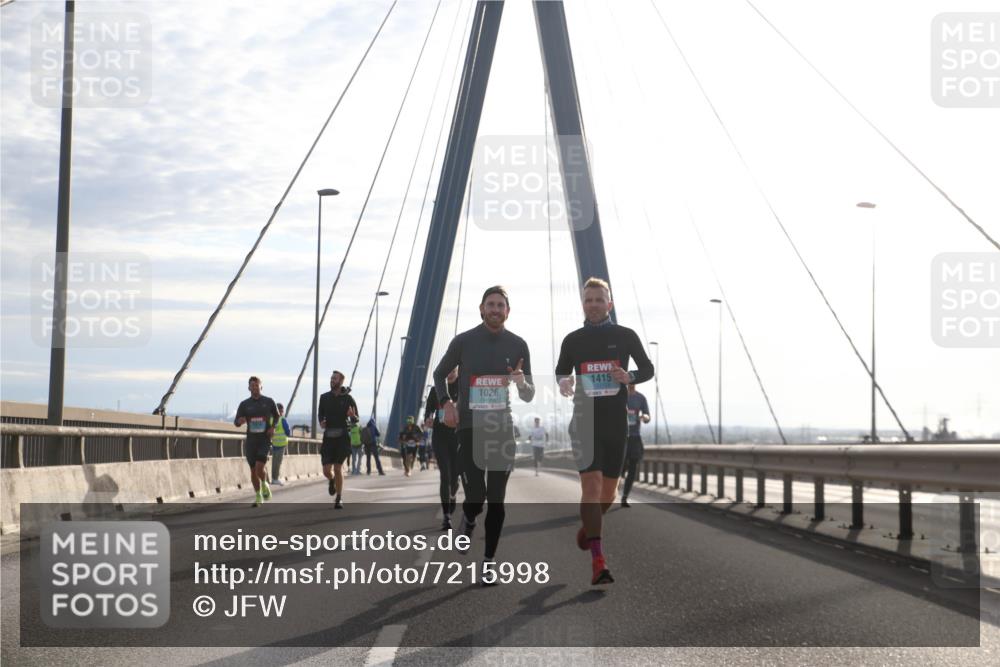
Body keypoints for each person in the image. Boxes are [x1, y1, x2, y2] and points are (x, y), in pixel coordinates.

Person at [556, 277, 654, 585]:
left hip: (616, 425)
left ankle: (589, 530)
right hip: (584, 423)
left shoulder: (625, 336)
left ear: (609, 304)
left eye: (599, 300)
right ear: (583, 304)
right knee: (592, 486)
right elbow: (561, 370)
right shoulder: (572, 340)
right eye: (589, 300)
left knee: (608, 494)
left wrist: (629, 375)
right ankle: (598, 561)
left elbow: (648, 369)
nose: (594, 305)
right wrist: (564, 382)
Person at [434, 285, 534, 584]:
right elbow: (439, 374)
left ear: (507, 311)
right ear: (481, 309)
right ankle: (469, 517)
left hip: (502, 430)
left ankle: (488, 562)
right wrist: (446, 403)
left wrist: (520, 382)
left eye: (500, 305)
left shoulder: (518, 345)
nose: (495, 309)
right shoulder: (464, 341)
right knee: (476, 496)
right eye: (490, 304)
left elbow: (528, 395)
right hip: (470, 429)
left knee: (498, 500)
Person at [234, 376, 279, 507]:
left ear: (261, 386)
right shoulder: (244, 404)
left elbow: (277, 416)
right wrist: (239, 421)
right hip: (251, 441)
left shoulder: (269, 401)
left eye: (257, 385)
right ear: (249, 388)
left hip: (264, 439)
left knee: (260, 467)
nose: (255, 387)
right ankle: (259, 495)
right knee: (253, 470)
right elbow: (236, 422)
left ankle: (264, 483)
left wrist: (272, 427)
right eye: (252, 385)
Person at [425, 367, 460, 529]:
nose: (450, 373)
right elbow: (428, 410)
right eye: (448, 370)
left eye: (453, 370)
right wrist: (428, 419)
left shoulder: (464, 386)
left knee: (454, 477)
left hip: (458, 437)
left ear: (458, 371)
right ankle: (446, 516)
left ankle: (453, 495)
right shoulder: (436, 390)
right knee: (444, 475)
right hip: (440, 436)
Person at [318, 370, 358, 509]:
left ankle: (339, 498)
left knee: (338, 467)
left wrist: (352, 416)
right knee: (326, 470)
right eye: (331, 378)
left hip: (342, 438)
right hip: (328, 437)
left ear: (341, 381)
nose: (332, 380)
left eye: (334, 379)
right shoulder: (324, 397)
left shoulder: (348, 399)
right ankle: (332, 480)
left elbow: (355, 420)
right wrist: (321, 422)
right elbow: (320, 415)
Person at [621, 384, 651, 507]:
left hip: (634, 437)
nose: (631, 383)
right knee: (620, 467)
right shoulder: (619, 395)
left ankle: (625, 497)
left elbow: (648, 416)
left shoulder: (640, 398)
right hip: (621, 437)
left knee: (633, 469)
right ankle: (610, 491)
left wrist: (644, 417)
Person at [270, 402, 292, 485]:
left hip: (274, 443)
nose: (282, 413)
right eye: (281, 411)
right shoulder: (282, 419)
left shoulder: (271, 419)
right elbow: (288, 432)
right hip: (281, 444)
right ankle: (275, 478)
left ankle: (273, 478)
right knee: (278, 462)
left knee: (274, 462)